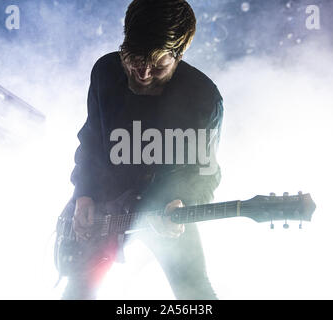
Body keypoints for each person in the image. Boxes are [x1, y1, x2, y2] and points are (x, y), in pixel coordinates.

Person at [60, 0, 224, 299]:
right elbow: (92, 141)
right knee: (78, 291)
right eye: (133, 59)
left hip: (163, 209)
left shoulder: (202, 97)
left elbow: (204, 174)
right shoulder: (106, 72)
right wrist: (84, 194)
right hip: (104, 206)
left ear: (179, 54)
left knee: (196, 293)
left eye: (158, 65)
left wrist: (182, 202)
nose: (143, 74)